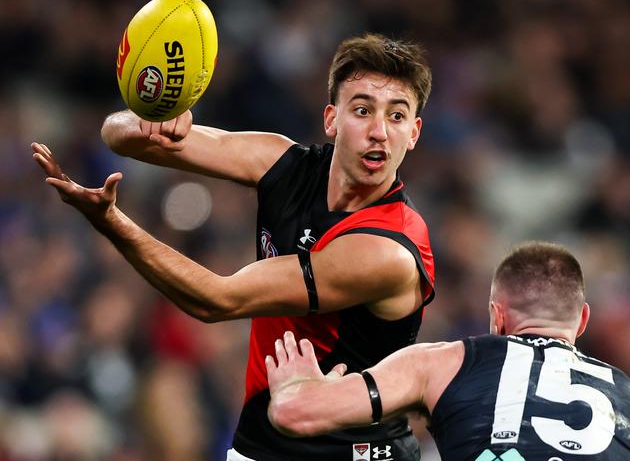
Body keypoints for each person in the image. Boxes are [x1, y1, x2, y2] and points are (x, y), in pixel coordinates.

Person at [32, 33, 435, 461]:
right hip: (260, 447)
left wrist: (109, 221)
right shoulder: (284, 162)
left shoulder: (388, 250)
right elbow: (118, 134)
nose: (378, 132)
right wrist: (161, 118)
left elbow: (216, 300)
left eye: (396, 117)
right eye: (362, 110)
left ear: (413, 132)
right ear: (332, 120)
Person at [266, 241, 630, 461]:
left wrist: (297, 384)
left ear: (497, 317)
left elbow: (295, 414)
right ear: (582, 321)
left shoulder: (441, 362)